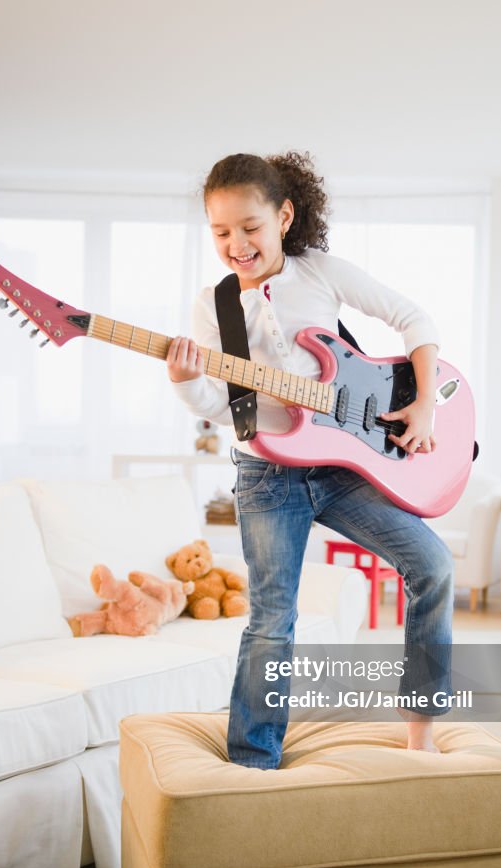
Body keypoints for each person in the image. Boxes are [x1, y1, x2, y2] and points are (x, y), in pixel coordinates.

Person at [167, 151, 453, 770]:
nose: (237, 244)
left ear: (284, 216)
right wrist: (186, 382)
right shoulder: (213, 307)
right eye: (221, 233)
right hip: (266, 474)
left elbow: (414, 319)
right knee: (272, 619)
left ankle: (422, 731)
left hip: (345, 468)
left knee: (433, 564)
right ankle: (253, 760)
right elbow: (221, 407)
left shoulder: (319, 273)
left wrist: (426, 402)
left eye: (250, 227)